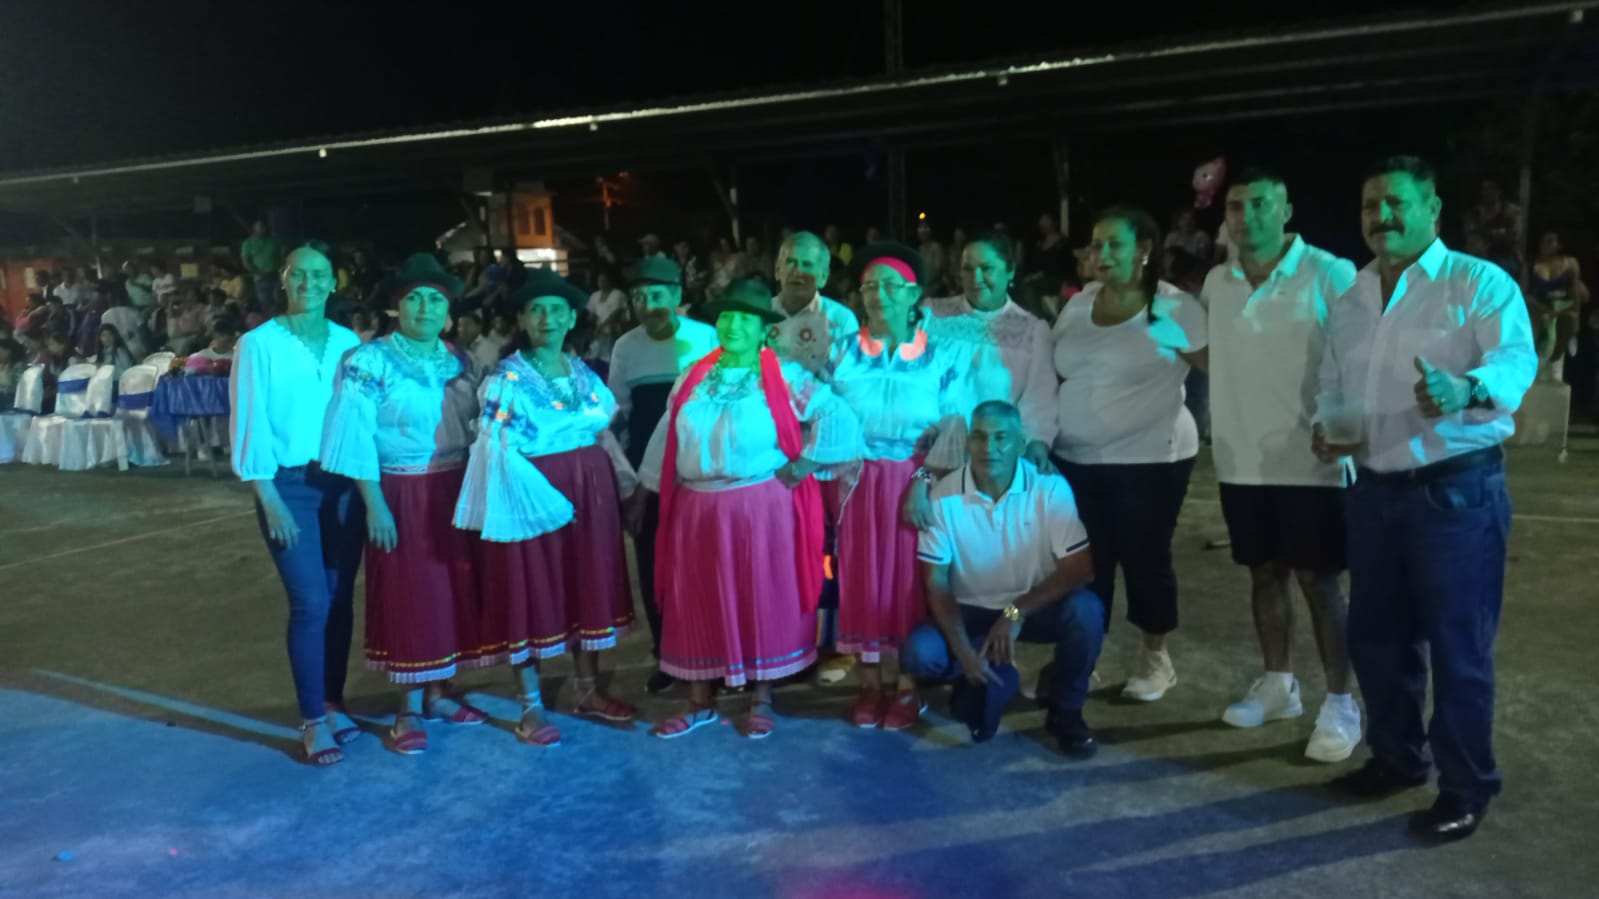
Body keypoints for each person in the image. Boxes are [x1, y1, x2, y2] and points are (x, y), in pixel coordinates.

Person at [1315, 155, 1536, 841]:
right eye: (1369, 205)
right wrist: (1330, 428)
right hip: (1373, 491)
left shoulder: (1476, 283)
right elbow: (1334, 382)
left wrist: (1464, 388)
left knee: (1457, 648)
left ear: (1432, 210)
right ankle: (1396, 756)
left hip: (1455, 493)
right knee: (1377, 639)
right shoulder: (1352, 296)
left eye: (1395, 203)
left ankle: (1466, 786)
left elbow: (1515, 361)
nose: (1380, 216)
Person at [638, 277, 861, 739]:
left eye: (745, 318)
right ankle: (699, 701)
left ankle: (762, 696)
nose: (733, 325)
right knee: (695, 598)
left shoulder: (784, 376)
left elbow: (836, 415)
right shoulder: (693, 377)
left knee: (760, 594)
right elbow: (667, 433)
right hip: (697, 508)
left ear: (764, 329)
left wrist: (804, 464)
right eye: (727, 317)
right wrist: (644, 490)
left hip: (761, 505)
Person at [1201, 168, 1362, 762]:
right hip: (1241, 460)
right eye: (1236, 206)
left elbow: (1359, 356)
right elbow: (1217, 356)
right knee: (1263, 574)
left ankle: (1341, 703)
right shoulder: (1216, 281)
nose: (1246, 216)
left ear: (1286, 209)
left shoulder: (1330, 272)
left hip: (1312, 461)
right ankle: (1278, 685)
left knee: (1320, 583)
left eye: (1260, 204)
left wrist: (1346, 428)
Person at [453, 268, 639, 748]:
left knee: (586, 583)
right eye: (536, 310)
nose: (547, 318)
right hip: (530, 492)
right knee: (531, 586)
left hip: (590, 491)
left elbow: (602, 434)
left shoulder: (582, 373)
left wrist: (625, 486)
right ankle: (530, 704)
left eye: (557, 310)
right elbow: (495, 444)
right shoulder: (507, 378)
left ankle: (587, 689)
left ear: (572, 318)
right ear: (522, 319)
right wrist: (544, 502)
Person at [321, 254, 488, 755]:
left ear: (448, 312)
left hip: (455, 487)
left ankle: (439, 693)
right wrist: (374, 504)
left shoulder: (462, 362)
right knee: (412, 594)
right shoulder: (368, 361)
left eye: (435, 299)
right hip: (401, 490)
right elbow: (353, 435)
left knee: (453, 591)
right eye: (415, 298)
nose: (425, 307)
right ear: (397, 307)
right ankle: (408, 708)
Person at [1051, 206, 1206, 703]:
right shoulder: (1079, 305)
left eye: (1114, 244)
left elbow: (1217, 367)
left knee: (1144, 559)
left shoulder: (1173, 307)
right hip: (1076, 459)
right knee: (1085, 562)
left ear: (1143, 250)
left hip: (1150, 459)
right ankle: (1085, 658)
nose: (1102, 254)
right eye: (1096, 244)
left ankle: (1156, 659)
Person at [901, 401, 1103, 756]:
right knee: (919, 654)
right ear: (968, 442)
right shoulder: (944, 495)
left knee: (1087, 611)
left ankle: (1066, 710)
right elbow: (937, 582)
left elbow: (1080, 568)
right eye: (979, 437)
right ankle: (979, 671)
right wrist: (964, 652)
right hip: (971, 608)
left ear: (1019, 442)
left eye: (1000, 437)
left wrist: (1014, 613)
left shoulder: (1049, 488)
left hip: (1029, 608)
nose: (988, 448)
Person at [229, 244, 366, 767]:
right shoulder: (257, 344)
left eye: (318, 274)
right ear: (284, 280)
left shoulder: (349, 343)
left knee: (339, 600)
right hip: (288, 486)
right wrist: (267, 497)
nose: (308, 283)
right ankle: (312, 718)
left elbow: (359, 416)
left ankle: (332, 701)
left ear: (334, 283)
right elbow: (249, 419)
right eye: (298, 274)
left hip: (343, 485)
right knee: (310, 602)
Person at [831, 242, 972, 729]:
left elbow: (955, 425)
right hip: (854, 482)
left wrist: (921, 482)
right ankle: (870, 683)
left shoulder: (941, 355)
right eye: (870, 286)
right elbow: (820, 416)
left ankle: (910, 685)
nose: (879, 295)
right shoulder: (841, 352)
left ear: (914, 295)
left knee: (910, 582)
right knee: (859, 576)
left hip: (915, 480)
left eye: (891, 286)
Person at [608, 256, 720, 693]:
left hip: (699, 471)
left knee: (704, 564)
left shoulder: (707, 337)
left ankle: (713, 655)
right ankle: (667, 655)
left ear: (676, 296)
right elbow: (617, 415)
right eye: (638, 297)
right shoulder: (626, 347)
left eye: (656, 295)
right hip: (646, 473)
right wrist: (626, 480)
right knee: (655, 564)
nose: (647, 304)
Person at [924, 231, 1058, 472]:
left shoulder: (1031, 330)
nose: (975, 278)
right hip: (929, 456)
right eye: (967, 269)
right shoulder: (932, 316)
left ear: (1010, 271)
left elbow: (1040, 397)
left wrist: (1036, 443)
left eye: (986, 268)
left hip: (993, 460)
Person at [768, 231, 860, 381]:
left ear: (823, 276)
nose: (797, 272)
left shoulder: (842, 319)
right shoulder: (759, 315)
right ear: (777, 270)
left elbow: (850, 380)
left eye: (807, 265)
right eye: (790, 262)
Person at [1528, 230, 1588, 379]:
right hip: (1539, 307)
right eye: (1543, 241)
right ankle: (1535, 371)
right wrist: (1541, 308)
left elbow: (1575, 293)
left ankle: (1554, 368)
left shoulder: (1570, 263)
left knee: (1566, 327)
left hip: (1563, 307)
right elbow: (1525, 293)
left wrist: (1576, 317)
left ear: (1559, 245)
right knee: (1541, 338)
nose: (1544, 245)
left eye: (1550, 241)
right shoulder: (1531, 264)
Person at [1462, 179, 1523, 277]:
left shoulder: (1511, 212)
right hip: (1479, 256)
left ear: (1498, 191)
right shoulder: (1475, 213)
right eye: (1484, 189)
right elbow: (1471, 236)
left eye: (1490, 188)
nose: (1486, 192)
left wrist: (1489, 234)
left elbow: (1514, 236)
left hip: (1505, 256)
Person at [586, 271, 629, 360]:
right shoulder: (594, 295)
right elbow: (591, 314)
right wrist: (590, 326)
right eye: (599, 281)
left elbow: (617, 313)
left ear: (609, 281)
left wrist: (601, 326)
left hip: (615, 327)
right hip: (599, 329)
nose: (601, 283)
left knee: (608, 331)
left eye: (604, 280)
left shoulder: (618, 294)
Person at [242, 220, 284, 309]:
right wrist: (258, 272)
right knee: (265, 302)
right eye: (259, 226)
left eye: (263, 226)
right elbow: (246, 261)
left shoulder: (274, 240)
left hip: (276, 275)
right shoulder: (248, 243)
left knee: (279, 300)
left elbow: (282, 255)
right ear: (254, 228)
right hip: (260, 277)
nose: (262, 228)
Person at [916, 220, 948, 297]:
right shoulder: (919, 249)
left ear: (931, 231)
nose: (923, 231)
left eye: (925, 228)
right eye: (920, 228)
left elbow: (938, 270)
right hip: (923, 287)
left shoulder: (936, 247)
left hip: (935, 288)